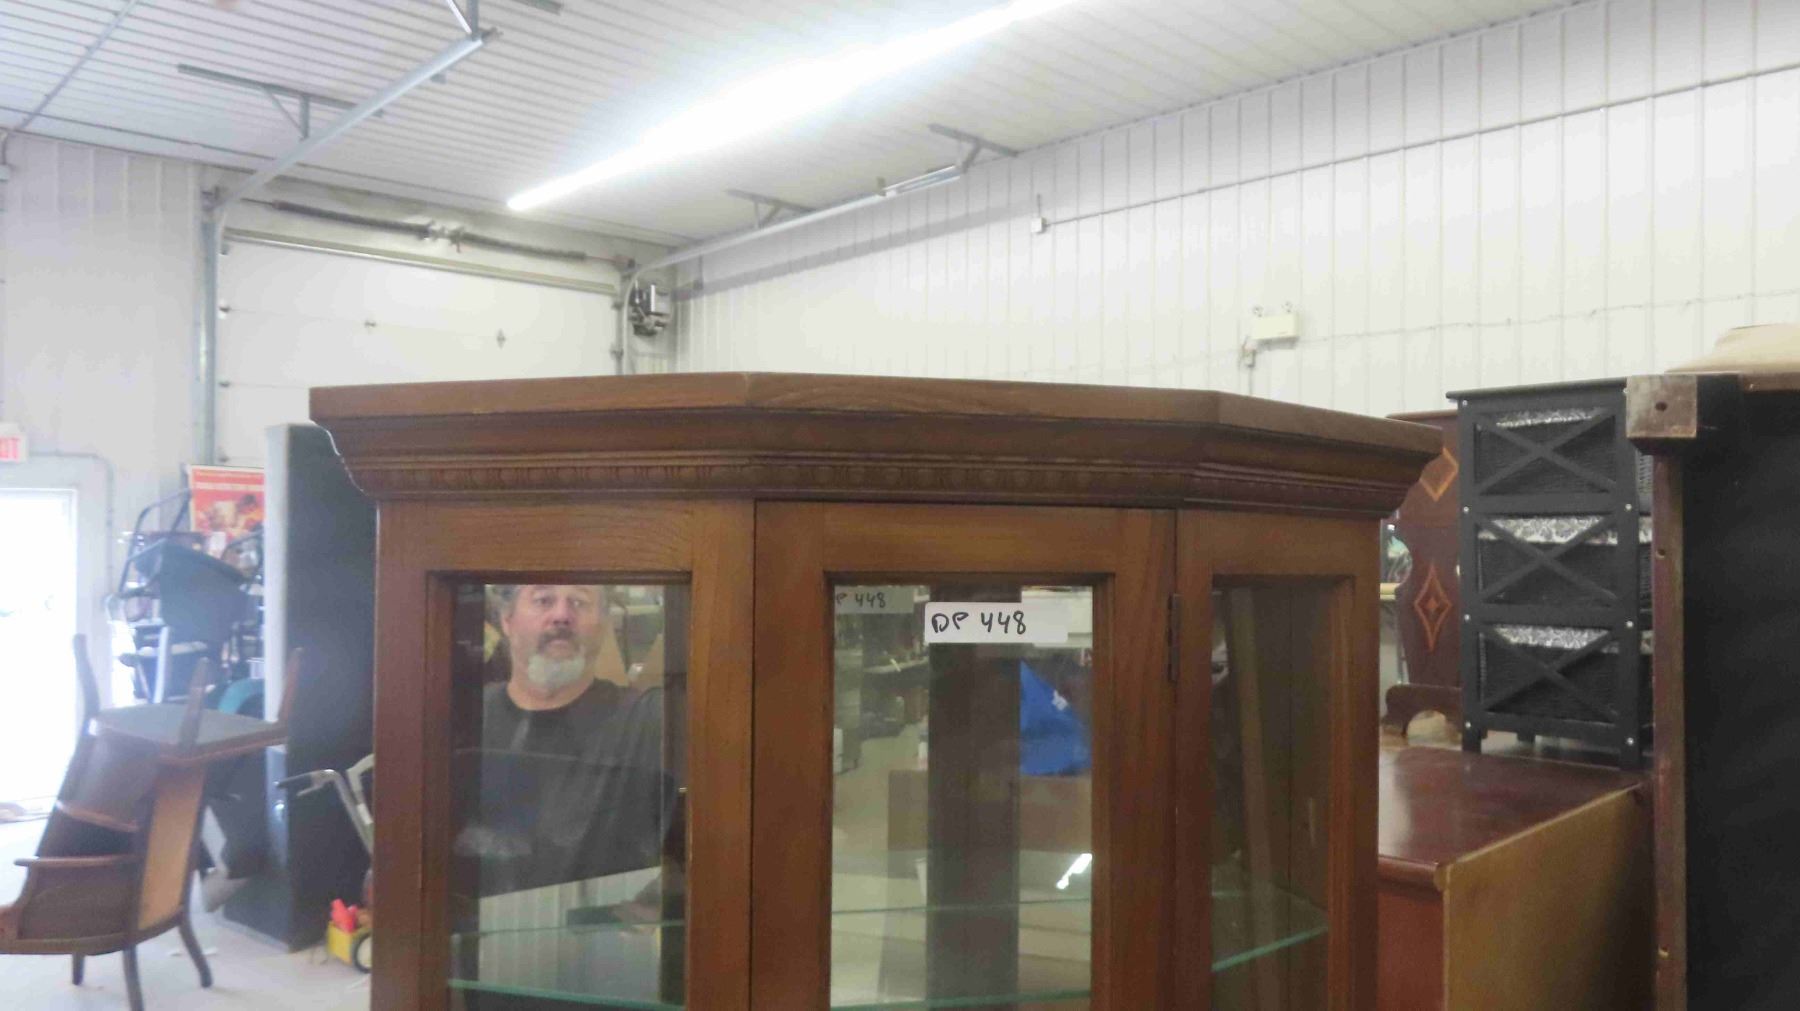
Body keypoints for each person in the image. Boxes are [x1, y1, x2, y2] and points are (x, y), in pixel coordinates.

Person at [458, 584, 676, 896]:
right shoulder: (461, 720)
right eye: (543, 600)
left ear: (603, 623)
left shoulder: (649, 721)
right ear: (507, 619)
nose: (561, 615)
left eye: (579, 601)